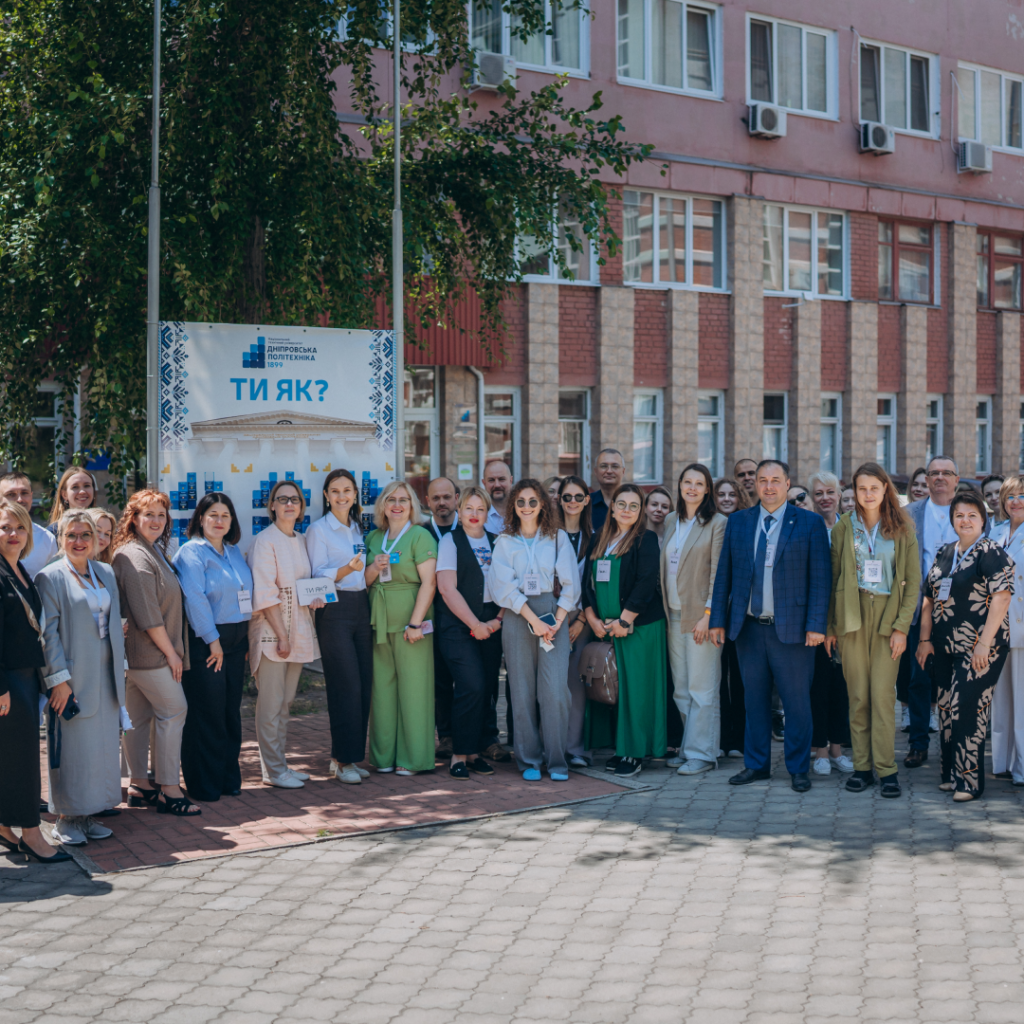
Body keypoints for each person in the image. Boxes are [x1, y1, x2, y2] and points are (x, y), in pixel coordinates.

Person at [710, 459, 831, 793]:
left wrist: (816, 625)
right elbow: (724, 575)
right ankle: (756, 765)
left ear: (787, 484)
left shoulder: (809, 523)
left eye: (775, 480)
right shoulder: (738, 522)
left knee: (796, 703)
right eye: (762, 480)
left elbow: (821, 580)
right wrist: (718, 620)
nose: (768, 486)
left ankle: (798, 768)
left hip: (793, 630)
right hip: (748, 629)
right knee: (754, 701)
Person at [825, 463, 919, 798]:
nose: (867, 495)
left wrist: (901, 628)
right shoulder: (844, 526)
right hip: (851, 614)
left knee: (882, 696)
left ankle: (887, 769)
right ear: (853, 491)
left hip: (887, 617)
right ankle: (862, 768)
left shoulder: (902, 527)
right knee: (858, 696)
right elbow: (833, 577)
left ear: (885, 490)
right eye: (861, 489)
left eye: (874, 488)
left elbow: (912, 584)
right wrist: (831, 626)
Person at [917, 490, 1013, 801]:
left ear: (983, 520)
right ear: (952, 520)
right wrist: (924, 640)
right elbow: (929, 599)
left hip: (981, 648)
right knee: (946, 709)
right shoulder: (945, 552)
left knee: (968, 708)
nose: (965, 520)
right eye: (959, 515)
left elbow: (1002, 598)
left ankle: (969, 783)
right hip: (944, 645)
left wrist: (984, 644)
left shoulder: (991, 552)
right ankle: (950, 774)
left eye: (972, 515)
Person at [37, 511, 126, 845]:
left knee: (100, 746)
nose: (79, 541)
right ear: (61, 539)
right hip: (72, 676)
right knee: (73, 747)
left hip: (106, 672)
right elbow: (48, 634)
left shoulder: (105, 571)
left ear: (95, 539)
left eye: (85, 534)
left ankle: (88, 815)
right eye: (71, 535)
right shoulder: (50, 577)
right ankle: (66, 820)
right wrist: (58, 680)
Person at [112, 489, 199, 816]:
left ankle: (139, 785)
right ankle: (169, 790)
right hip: (149, 654)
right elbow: (148, 614)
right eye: (148, 514)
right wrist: (172, 654)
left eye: (161, 515)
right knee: (175, 710)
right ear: (133, 518)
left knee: (138, 719)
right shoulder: (134, 555)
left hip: (140, 655)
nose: (156, 520)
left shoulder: (151, 550)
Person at [491, 478, 578, 781]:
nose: (526, 507)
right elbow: (503, 587)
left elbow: (571, 584)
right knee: (522, 691)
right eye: (520, 502)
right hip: (519, 616)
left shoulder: (557, 538)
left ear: (542, 504)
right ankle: (529, 760)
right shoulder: (504, 541)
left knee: (555, 692)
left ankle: (557, 762)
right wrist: (534, 620)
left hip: (554, 614)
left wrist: (556, 620)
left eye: (532, 501)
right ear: (513, 506)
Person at [0, 499, 72, 864]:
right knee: (23, 760)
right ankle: (31, 835)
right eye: (5, 527)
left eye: (20, 527)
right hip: (9, 681)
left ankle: (4, 827)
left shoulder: (18, 569)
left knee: (11, 758)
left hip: (25, 678)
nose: (13, 534)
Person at [582, 483, 666, 777]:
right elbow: (586, 584)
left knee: (636, 690)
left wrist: (624, 621)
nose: (627, 510)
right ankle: (619, 747)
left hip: (638, 628)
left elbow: (646, 583)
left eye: (634, 506)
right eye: (622, 504)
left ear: (640, 511)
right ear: (612, 507)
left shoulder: (646, 539)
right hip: (605, 627)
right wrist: (593, 620)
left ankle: (635, 753)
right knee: (612, 688)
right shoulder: (598, 538)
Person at [173, 493, 253, 801]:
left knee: (230, 712)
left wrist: (243, 639)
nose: (219, 521)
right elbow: (195, 598)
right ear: (200, 519)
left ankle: (227, 779)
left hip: (236, 640)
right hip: (207, 642)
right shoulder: (191, 552)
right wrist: (213, 642)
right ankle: (203, 784)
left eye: (225, 515)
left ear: (232, 521)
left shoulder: (233, 552)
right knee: (207, 713)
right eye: (213, 515)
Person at [247, 480, 323, 789]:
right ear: (272, 506)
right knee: (271, 704)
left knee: (286, 702)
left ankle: (280, 765)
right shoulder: (265, 541)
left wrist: (316, 598)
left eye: (295, 499)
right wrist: (281, 636)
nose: (289, 504)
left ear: (302, 507)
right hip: (273, 634)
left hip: (298, 631)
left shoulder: (302, 540)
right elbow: (265, 594)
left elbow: (306, 584)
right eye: (282, 499)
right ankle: (273, 770)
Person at [304, 469, 373, 786]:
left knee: (363, 683)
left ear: (355, 494)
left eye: (347, 490)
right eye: (335, 491)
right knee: (346, 686)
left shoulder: (358, 528)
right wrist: (347, 568)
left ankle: (346, 757)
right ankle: (344, 761)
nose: (342, 496)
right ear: (326, 496)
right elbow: (318, 575)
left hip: (362, 606)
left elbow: (362, 575)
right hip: (334, 609)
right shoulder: (318, 530)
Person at [365, 481, 438, 775]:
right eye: (391, 499)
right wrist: (373, 567)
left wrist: (415, 622)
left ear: (412, 506)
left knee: (414, 689)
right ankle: (383, 757)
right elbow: (363, 581)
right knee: (382, 690)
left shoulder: (420, 536)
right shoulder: (373, 538)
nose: (397, 505)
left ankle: (413, 758)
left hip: (412, 624)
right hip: (379, 622)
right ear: (383, 505)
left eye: (404, 500)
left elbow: (430, 583)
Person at [661, 464, 726, 776]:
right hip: (673, 614)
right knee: (682, 689)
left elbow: (717, 572)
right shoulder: (671, 520)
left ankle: (703, 754)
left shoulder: (717, 522)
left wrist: (708, 615)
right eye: (687, 482)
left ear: (707, 489)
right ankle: (690, 748)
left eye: (699, 483)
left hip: (701, 617)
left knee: (702, 688)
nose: (692, 488)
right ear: (679, 485)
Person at [436, 487, 504, 779]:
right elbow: (446, 588)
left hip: (493, 622)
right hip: (457, 624)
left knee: (486, 687)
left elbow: (509, 585)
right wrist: (474, 624)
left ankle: (474, 752)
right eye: (468, 508)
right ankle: (459, 754)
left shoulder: (498, 541)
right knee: (471, 684)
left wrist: (498, 619)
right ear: (459, 511)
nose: (474, 514)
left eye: (480, 509)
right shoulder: (450, 541)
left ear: (488, 513)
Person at [903, 456, 962, 769]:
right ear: (926, 479)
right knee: (919, 681)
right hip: (919, 611)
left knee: (955, 684)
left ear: (956, 479)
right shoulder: (909, 513)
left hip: (960, 613)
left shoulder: (969, 511)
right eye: (934, 473)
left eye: (946, 473)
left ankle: (954, 749)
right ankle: (918, 744)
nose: (939, 477)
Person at [807, 470, 852, 775]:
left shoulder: (849, 527)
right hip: (816, 623)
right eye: (819, 493)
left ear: (839, 495)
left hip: (846, 622)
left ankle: (837, 749)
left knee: (842, 688)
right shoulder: (807, 526)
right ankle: (820, 749)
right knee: (818, 687)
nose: (825, 498)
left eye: (830, 492)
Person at [558, 475, 595, 767]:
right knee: (550, 686)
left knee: (576, 685)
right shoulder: (547, 535)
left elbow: (595, 585)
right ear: (559, 500)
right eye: (567, 497)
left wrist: (581, 620)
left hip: (582, 621)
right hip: (550, 620)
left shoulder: (596, 538)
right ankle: (551, 747)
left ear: (587, 500)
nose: (572, 502)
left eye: (578, 497)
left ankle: (575, 749)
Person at [991, 477, 1024, 785]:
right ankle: (1001, 761)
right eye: (1010, 496)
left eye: (1022, 495)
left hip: (1022, 622)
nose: (1016, 501)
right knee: (1000, 698)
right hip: (996, 624)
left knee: (1022, 699)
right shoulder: (995, 531)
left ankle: (1022, 767)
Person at [424, 476, 460, 759]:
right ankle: (446, 736)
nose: (442, 502)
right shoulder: (420, 533)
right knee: (440, 681)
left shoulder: (472, 528)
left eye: (447, 496)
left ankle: (484, 737)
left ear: (457, 498)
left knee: (477, 680)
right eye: (436, 498)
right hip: (434, 617)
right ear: (427, 502)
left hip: (468, 617)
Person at [0, 472, 57, 578]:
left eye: (24, 493)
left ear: (31, 496)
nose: (19, 499)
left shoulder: (47, 539)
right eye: (11, 494)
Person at [48, 467, 97, 534]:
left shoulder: (104, 527)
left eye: (87, 486)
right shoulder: (53, 533)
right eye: (75, 487)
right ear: (64, 495)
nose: (82, 491)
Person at [590, 449, 625, 532]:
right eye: (603, 466)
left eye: (615, 466)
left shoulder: (634, 503)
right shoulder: (586, 504)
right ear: (596, 471)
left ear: (623, 471)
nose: (609, 471)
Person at [482, 459, 513, 535]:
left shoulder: (523, 511)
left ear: (511, 480)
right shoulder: (478, 514)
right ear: (484, 483)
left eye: (501, 479)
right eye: (491, 480)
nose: (497, 485)